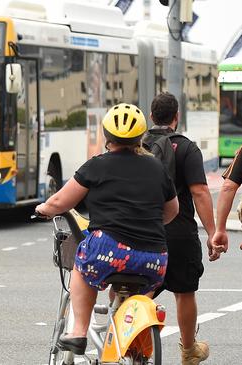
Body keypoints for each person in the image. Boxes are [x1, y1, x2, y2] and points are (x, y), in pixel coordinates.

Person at [35, 103, 179, 355]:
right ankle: (126, 331)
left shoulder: (97, 165)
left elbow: (61, 202)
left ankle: (78, 332)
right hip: (155, 258)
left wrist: (44, 209)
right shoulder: (157, 168)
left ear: (106, 135)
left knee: (82, 265)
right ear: (140, 136)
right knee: (130, 284)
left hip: (109, 251)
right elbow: (172, 211)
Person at [148, 92, 221, 364]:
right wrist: (213, 233)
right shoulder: (187, 148)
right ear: (176, 117)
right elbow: (200, 192)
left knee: (138, 288)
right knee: (184, 291)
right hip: (179, 232)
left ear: (151, 116)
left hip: (143, 232)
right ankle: (189, 351)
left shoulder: (137, 146)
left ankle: (128, 339)